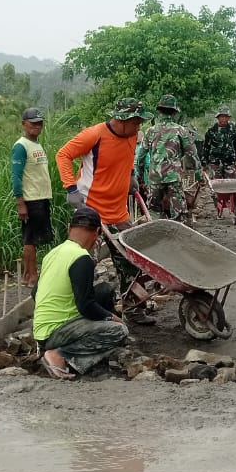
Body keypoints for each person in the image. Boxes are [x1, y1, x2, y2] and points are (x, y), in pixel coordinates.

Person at [55, 97, 157, 324]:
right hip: (91, 211)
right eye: (136, 121)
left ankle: (133, 307)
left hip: (119, 212)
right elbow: (63, 155)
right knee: (82, 264)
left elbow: (128, 159)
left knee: (130, 261)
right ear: (122, 119)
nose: (139, 126)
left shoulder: (131, 136)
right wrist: (71, 188)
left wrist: (131, 177)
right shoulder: (95, 135)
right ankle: (76, 313)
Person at [32, 207, 130, 380]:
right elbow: (85, 306)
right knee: (119, 331)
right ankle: (61, 355)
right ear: (97, 232)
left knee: (103, 291)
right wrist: (111, 317)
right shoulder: (81, 258)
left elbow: (35, 293)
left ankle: (51, 348)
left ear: (70, 227)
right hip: (55, 332)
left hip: (42, 328)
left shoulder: (53, 253)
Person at [136, 95, 203, 223]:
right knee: (179, 213)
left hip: (155, 177)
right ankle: (177, 237)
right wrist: (199, 176)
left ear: (159, 111)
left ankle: (156, 236)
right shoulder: (180, 131)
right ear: (174, 112)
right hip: (173, 178)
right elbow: (192, 155)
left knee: (153, 211)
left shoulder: (150, 131)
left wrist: (140, 178)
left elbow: (141, 157)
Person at [11, 107, 52, 287]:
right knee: (30, 238)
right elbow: (16, 176)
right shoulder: (21, 146)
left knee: (34, 238)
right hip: (31, 198)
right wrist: (21, 202)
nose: (37, 126)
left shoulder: (36, 144)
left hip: (41, 197)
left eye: (40, 123)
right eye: (33, 123)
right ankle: (30, 276)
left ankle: (30, 275)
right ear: (24, 124)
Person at [202, 107, 236, 180]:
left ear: (229, 118)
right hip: (215, 162)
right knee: (215, 184)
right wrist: (204, 163)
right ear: (218, 117)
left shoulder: (233, 129)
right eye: (222, 117)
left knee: (231, 184)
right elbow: (206, 147)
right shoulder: (211, 130)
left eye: (226, 117)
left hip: (229, 161)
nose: (224, 119)